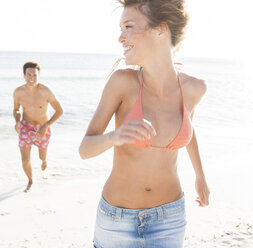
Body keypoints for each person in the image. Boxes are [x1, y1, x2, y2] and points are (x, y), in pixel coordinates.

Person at [79, 0, 210, 247]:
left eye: (128, 26)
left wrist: (200, 176)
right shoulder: (123, 83)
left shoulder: (194, 89)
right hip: (117, 220)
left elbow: (188, 131)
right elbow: (85, 149)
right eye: (120, 28)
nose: (121, 37)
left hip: (170, 218)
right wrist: (114, 137)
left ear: (161, 29)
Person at [13, 62, 63, 192]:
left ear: (38, 75)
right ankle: (30, 180)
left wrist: (46, 126)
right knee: (25, 160)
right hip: (25, 127)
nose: (31, 78)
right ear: (24, 75)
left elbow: (60, 111)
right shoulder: (18, 92)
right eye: (28, 74)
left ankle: (44, 160)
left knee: (42, 156)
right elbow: (16, 110)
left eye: (34, 75)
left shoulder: (45, 91)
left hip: (42, 128)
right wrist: (17, 120)